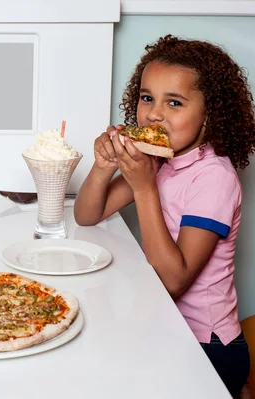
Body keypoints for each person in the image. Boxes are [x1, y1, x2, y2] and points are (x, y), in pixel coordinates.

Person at [74, 34, 255, 398]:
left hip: (209, 347)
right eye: (147, 98)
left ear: (210, 114)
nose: (155, 113)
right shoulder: (159, 159)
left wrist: (143, 188)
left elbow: (174, 280)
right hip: (163, 325)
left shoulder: (213, 178)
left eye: (174, 102)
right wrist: (101, 167)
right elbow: (86, 216)